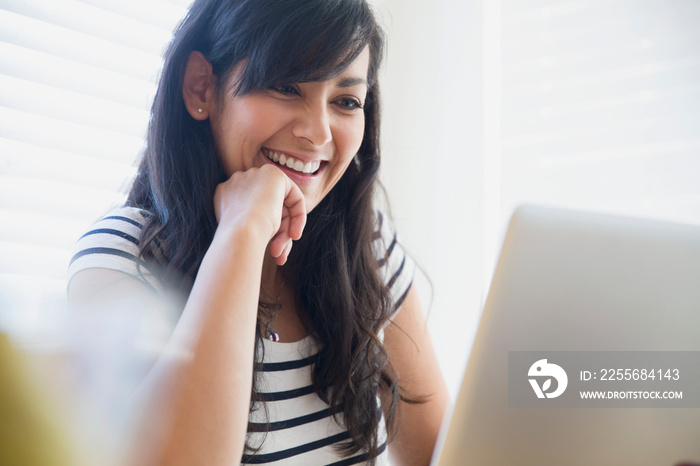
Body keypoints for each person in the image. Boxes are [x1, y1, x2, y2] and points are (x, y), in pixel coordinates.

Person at [67, 0, 449, 464]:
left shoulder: (365, 244)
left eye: (346, 101)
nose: (318, 133)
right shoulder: (121, 257)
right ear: (200, 87)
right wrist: (242, 231)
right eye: (286, 86)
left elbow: (439, 454)